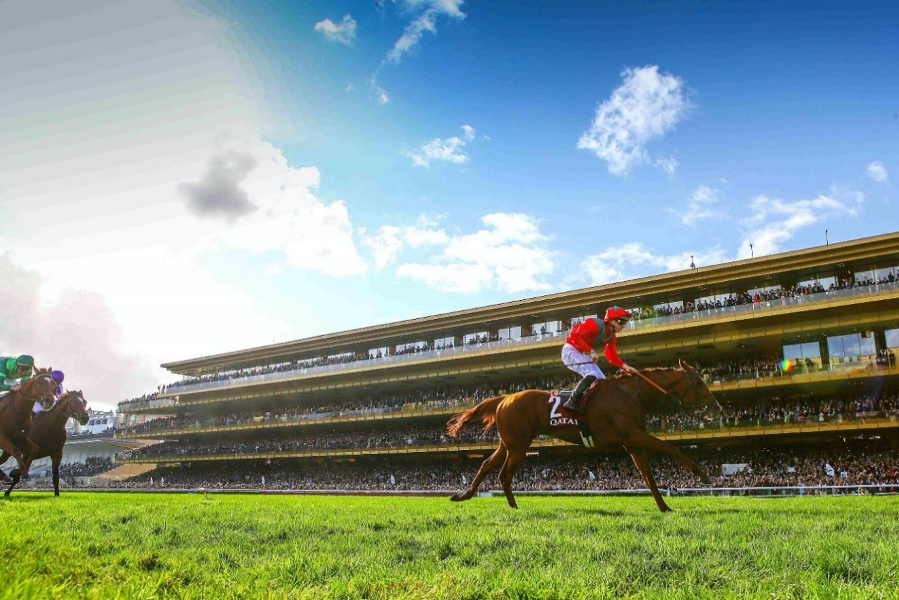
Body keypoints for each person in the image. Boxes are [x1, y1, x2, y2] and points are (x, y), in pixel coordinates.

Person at [561, 307, 636, 413]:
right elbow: (574, 335)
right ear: (611, 321)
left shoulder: (611, 336)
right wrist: (590, 350)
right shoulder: (595, 324)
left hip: (579, 353)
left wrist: (625, 366)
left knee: (602, 381)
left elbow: (611, 356)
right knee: (592, 374)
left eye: (625, 323)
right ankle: (571, 401)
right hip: (570, 350)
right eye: (620, 322)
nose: (623, 326)